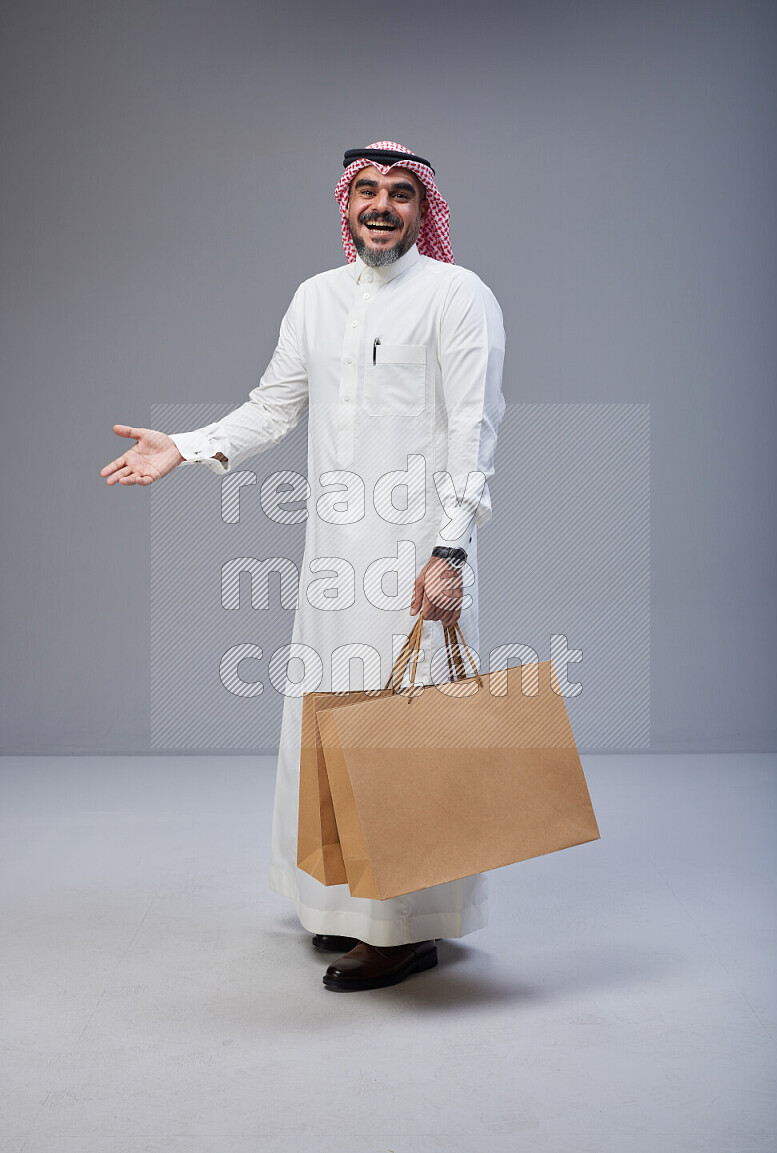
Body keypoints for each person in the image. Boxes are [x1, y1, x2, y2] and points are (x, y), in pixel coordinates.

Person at [100, 141, 506, 991]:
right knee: (331, 727)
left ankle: (403, 929)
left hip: (415, 554)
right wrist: (183, 445)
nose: (383, 206)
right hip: (331, 557)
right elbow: (272, 408)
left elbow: (475, 427)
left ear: (421, 207)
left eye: (401, 193)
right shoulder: (316, 300)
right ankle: (348, 910)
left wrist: (451, 548)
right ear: (346, 204)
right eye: (368, 192)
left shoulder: (457, 295)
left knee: (406, 739)